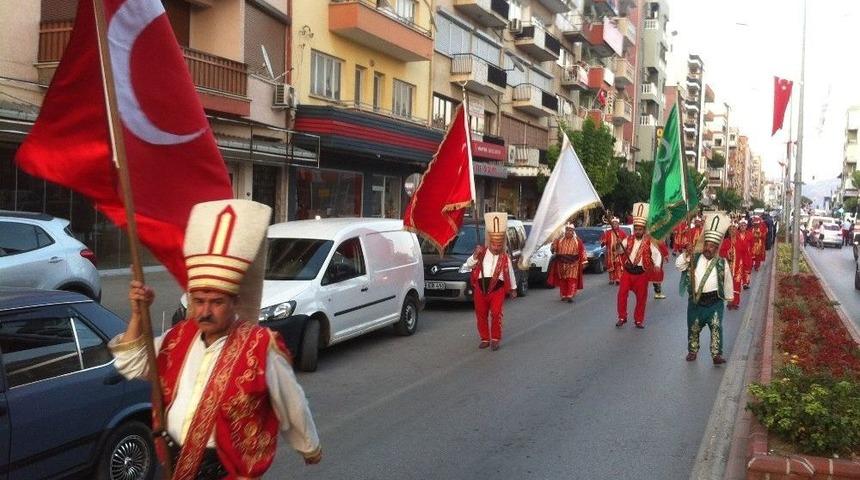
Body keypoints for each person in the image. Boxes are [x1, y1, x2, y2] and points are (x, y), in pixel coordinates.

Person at [109, 200, 321, 480]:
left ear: (235, 302)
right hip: (174, 466)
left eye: (216, 302)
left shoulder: (260, 345)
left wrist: (309, 446)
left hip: (226, 472)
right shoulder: (177, 338)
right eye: (198, 301)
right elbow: (129, 365)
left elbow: (291, 401)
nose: (205, 311)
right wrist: (138, 314)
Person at [676, 212, 734, 366]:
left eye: (712, 246)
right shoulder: (693, 258)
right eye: (707, 244)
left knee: (716, 326)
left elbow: (727, 280)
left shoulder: (722, 262)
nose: (708, 248)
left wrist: (728, 298)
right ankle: (692, 351)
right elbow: (678, 265)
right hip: (696, 301)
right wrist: (685, 255)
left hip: (715, 301)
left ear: (716, 247)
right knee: (693, 327)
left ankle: (716, 355)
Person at [461, 212, 517, 351]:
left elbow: (510, 272)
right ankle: (485, 338)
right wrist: (475, 255)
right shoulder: (481, 252)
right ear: (490, 242)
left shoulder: (505, 257)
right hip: (480, 288)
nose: (497, 247)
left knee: (497, 313)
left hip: (497, 289)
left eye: (499, 245)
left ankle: (495, 338)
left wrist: (514, 288)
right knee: (481, 314)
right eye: (494, 244)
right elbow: (468, 264)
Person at [615, 203, 662, 329]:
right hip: (628, 272)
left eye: (640, 229)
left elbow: (657, 254)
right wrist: (618, 245)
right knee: (622, 294)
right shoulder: (628, 239)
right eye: (636, 229)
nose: (637, 231)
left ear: (644, 230)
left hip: (641, 273)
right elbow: (620, 251)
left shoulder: (648, 242)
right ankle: (622, 317)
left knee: (641, 298)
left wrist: (657, 264)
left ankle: (638, 320)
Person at [548, 224, 588, 302]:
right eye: (567, 230)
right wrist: (553, 245)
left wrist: (584, 261)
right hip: (561, 263)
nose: (568, 232)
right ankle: (563, 295)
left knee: (571, 279)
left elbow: (582, 251)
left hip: (573, 264)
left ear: (573, 232)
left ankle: (570, 295)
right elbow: (554, 250)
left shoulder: (577, 241)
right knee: (563, 279)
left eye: (570, 230)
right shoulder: (560, 240)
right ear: (565, 231)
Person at [719, 223, 744, 310]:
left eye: (734, 229)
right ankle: (730, 302)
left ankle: (736, 302)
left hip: (738, 267)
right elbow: (721, 252)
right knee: (729, 284)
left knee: (736, 284)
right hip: (728, 267)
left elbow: (745, 253)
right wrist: (727, 254)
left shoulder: (740, 241)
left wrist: (746, 265)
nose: (732, 231)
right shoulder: (725, 241)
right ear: (728, 231)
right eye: (730, 229)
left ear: (736, 230)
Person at [601, 217, 627, 285]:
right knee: (611, 266)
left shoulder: (622, 232)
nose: (614, 225)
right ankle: (611, 279)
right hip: (610, 253)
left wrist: (621, 242)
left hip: (618, 252)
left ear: (618, 224)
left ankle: (618, 279)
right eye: (613, 223)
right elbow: (603, 241)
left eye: (616, 223)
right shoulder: (608, 232)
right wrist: (603, 241)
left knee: (618, 265)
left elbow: (626, 242)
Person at [736, 219, 754, 289]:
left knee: (747, 269)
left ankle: (745, 283)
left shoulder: (750, 234)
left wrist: (751, 253)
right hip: (738, 255)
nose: (743, 227)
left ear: (746, 226)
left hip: (747, 255)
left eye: (744, 225)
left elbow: (752, 245)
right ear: (739, 226)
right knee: (739, 268)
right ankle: (738, 282)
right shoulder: (736, 234)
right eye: (741, 225)